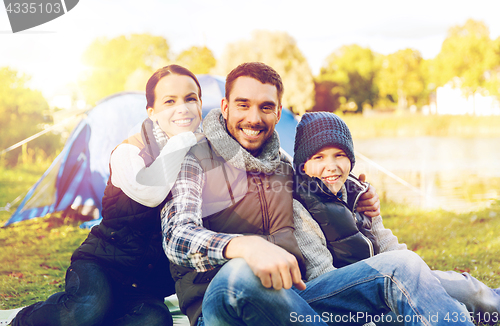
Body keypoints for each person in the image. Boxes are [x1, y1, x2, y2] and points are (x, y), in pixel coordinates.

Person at [162, 62, 474, 326]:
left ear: (279, 111)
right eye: (243, 105)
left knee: (402, 265)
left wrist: (358, 195)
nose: (254, 118)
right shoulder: (192, 158)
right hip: (222, 302)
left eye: (266, 107)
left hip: (297, 297)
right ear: (226, 107)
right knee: (241, 274)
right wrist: (244, 247)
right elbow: (177, 237)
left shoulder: (282, 164)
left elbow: (326, 180)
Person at [12, 64, 204, 326]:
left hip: (145, 285)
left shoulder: (204, 157)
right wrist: (182, 140)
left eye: (190, 98)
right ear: (152, 112)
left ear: (201, 104)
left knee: (155, 321)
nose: (182, 108)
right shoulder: (129, 151)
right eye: (170, 101)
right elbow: (150, 192)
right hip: (102, 265)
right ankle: (23, 320)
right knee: (87, 308)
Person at [292, 111, 500, 323]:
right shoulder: (299, 207)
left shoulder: (357, 193)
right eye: (319, 157)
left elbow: (388, 245)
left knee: (466, 290)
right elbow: (325, 278)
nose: (331, 165)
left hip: (389, 281)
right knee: (451, 311)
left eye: (339, 155)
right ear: (303, 165)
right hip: (357, 301)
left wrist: (421, 279)